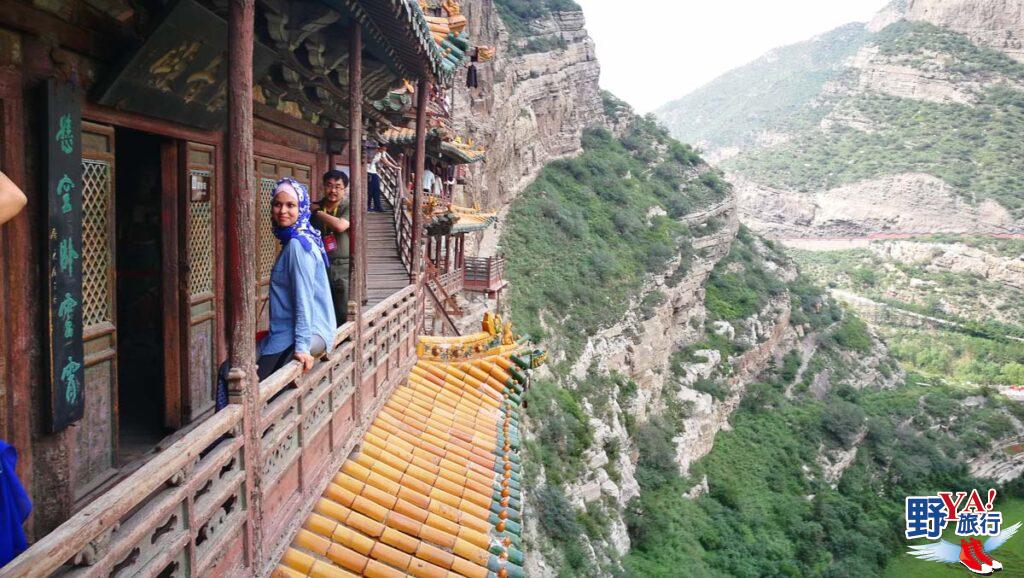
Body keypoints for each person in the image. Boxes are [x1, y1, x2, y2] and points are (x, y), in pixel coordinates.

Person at [259, 177, 336, 376]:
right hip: (310, 330)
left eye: (290, 205)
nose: (282, 211)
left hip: (301, 333)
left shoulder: (297, 245)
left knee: (231, 373)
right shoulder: (302, 237)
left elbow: (304, 298)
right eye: (277, 204)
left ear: (301, 208)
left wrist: (302, 347)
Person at [311, 170, 351, 325]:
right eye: (329, 186)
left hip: (342, 265)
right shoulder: (317, 206)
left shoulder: (347, 207)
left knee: (342, 308)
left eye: (338, 187)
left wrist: (317, 213)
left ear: (344, 189)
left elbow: (340, 226)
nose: (333, 190)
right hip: (319, 264)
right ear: (323, 187)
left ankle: (343, 345)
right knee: (321, 306)